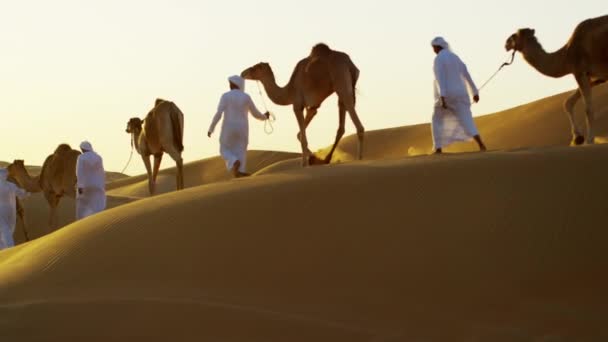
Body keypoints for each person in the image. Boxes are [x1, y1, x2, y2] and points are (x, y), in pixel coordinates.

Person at [431, 37, 486, 154]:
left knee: (437, 119)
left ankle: (438, 148)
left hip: (448, 94)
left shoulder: (438, 59)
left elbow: (440, 78)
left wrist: (443, 96)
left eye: (433, 47)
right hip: (462, 94)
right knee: (467, 120)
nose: (433, 50)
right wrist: (475, 92)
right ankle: (481, 144)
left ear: (437, 47)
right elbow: (466, 74)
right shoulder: (455, 57)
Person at [208, 75, 270, 177]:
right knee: (241, 151)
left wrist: (211, 128)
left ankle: (234, 161)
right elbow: (255, 113)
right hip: (243, 129)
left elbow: (219, 113)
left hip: (228, 127)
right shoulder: (246, 97)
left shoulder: (225, 96)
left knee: (223, 149)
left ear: (232, 84)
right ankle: (240, 171)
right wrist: (265, 117)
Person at [76, 141, 106, 220]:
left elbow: (80, 172)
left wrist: (80, 186)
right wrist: (102, 185)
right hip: (97, 185)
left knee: (83, 206)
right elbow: (101, 172)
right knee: (97, 205)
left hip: (85, 186)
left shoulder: (81, 157)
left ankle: (84, 225)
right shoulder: (98, 157)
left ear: (83, 149)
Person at [0, 168, 29, 250]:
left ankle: (10, 251)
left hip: (2, 211)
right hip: (10, 211)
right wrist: (27, 193)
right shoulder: (11, 185)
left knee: (5, 231)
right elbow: (21, 194)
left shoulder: (10, 185)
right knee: (7, 231)